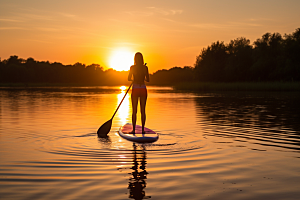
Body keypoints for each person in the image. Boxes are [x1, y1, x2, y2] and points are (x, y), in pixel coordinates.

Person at [128, 52, 150, 134]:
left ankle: (133, 130)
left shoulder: (132, 67)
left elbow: (128, 78)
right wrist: (143, 76)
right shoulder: (145, 67)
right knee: (143, 110)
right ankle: (143, 130)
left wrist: (135, 78)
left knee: (134, 111)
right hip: (143, 89)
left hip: (135, 89)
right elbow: (148, 80)